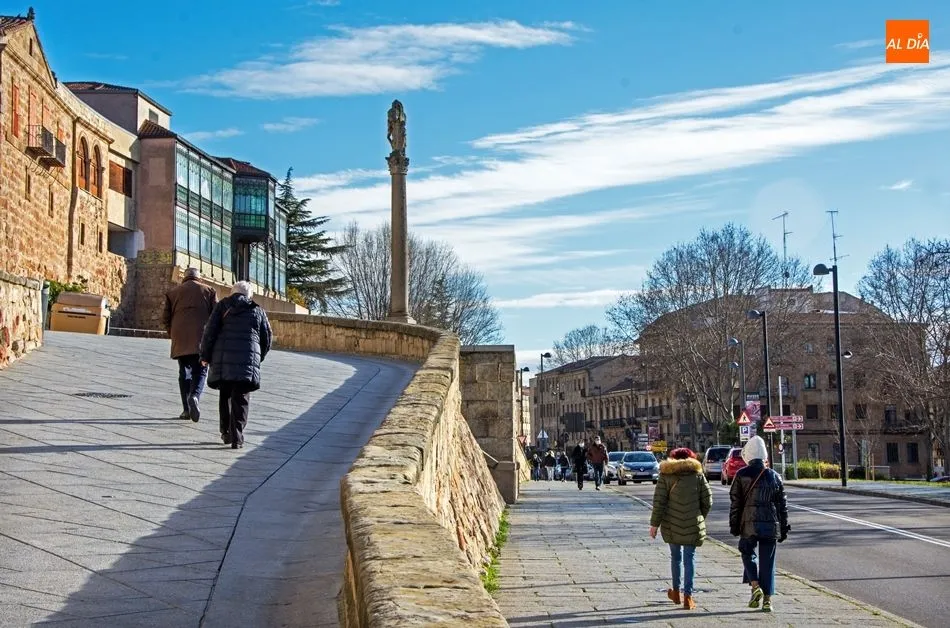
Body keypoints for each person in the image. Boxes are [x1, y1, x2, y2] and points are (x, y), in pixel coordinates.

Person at [199, 281, 272, 449]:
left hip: (223, 360)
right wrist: (258, 358)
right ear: (249, 295)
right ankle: (237, 436)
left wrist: (205, 355)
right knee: (242, 398)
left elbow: (209, 331)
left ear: (232, 292)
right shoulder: (257, 310)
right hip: (247, 361)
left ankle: (225, 431)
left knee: (225, 395)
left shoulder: (222, 306)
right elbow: (266, 337)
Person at [729, 435, 790, 613]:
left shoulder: (741, 475)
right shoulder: (775, 476)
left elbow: (735, 504)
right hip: (771, 524)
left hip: (748, 523)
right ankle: (768, 600)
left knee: (747, 552)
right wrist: (784, 528)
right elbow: (782, 506)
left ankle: (755, 586)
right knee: (768, 562)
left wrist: (734, 525)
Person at [649, 447, 712, 610]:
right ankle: (688, 597)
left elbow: (659, 502)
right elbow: (708, 500)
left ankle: (676, 592)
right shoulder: (697, 474)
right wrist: (699, 517)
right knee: (689, 558)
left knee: (675, 557)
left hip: (671, 523)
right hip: (693, 522)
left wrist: (654, 525)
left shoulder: (666, 475)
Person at [162, 268, 216, 422]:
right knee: (200, 371)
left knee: (184, 372)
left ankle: (186, 409)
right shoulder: (209, 291)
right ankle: (195, 397)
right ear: (199, 278)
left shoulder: (173, 293)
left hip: (180, 337)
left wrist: (172, 333)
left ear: (184, 277)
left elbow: (165, 318)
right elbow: (216, 316)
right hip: (201, 337)